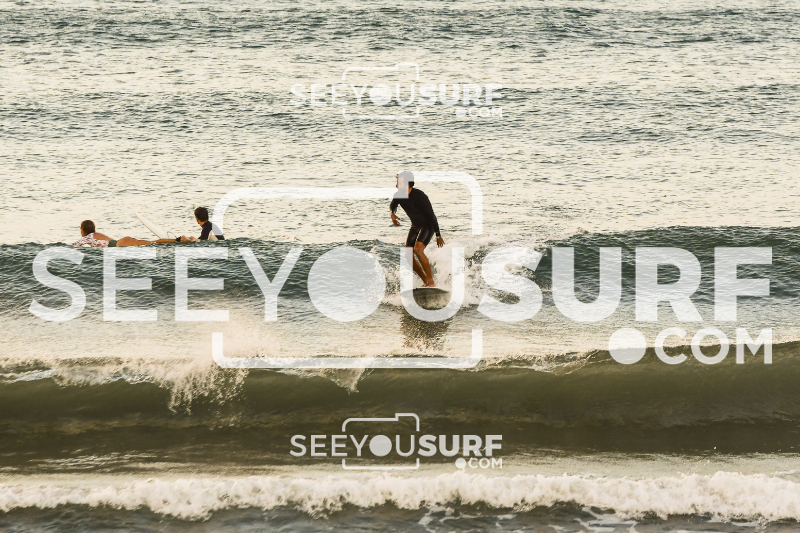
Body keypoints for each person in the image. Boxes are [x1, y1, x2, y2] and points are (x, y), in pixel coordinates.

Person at [389, 171, 445, 287]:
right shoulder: (398, 195)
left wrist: (438, 235)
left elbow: (432, 216)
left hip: (428, 225)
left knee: (418, 249)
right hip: (415, 226)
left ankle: (431, 282)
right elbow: (392, 205)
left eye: (399, 183)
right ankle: (425, 281)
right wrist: (392, 214)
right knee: (408, 255)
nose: (396, 185)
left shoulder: (420, 196)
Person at [72, 220, 173, 247]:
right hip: (122, 241)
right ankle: (177, 240)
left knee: (153, 243)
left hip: (121, 244)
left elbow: (75, 245)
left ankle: (177, 240)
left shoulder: (88, 237)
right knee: (152, 242)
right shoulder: (96, 235)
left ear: (83, 229)